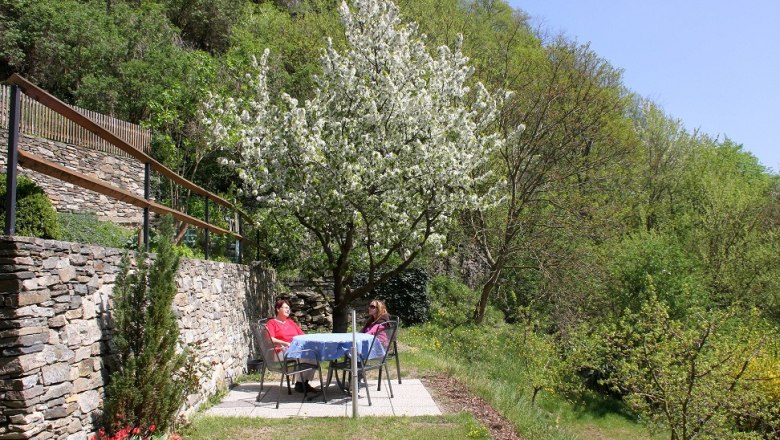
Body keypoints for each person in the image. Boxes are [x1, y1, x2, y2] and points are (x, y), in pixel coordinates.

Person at [266, 298, 318, 393]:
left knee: (313, 355)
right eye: (285, 307)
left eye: (289, 308)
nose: (288, 310)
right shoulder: (272, 323)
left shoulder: (290, 322)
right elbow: (270, 339)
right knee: (304, 355)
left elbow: (302, 335)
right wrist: (285, 343)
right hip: (280, 351)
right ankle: (300, 384)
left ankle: (304, 383)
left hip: (293, 349)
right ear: (278, 309)